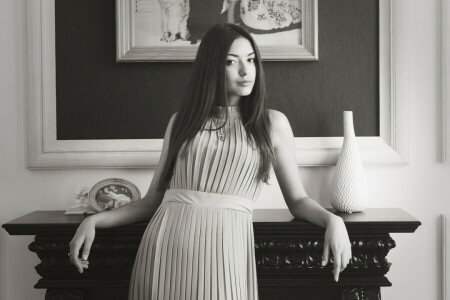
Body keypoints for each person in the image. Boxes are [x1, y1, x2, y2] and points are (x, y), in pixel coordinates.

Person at [69, 23, 352, 300]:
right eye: (232, 62)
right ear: (212, 67)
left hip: (226, 249)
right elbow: (150, 202)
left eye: (251, 60)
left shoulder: (272, 123)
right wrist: (95, 220)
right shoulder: (181, 122)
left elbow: (298, 200)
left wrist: (333, 220)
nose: (245, 70)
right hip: (166, 247)